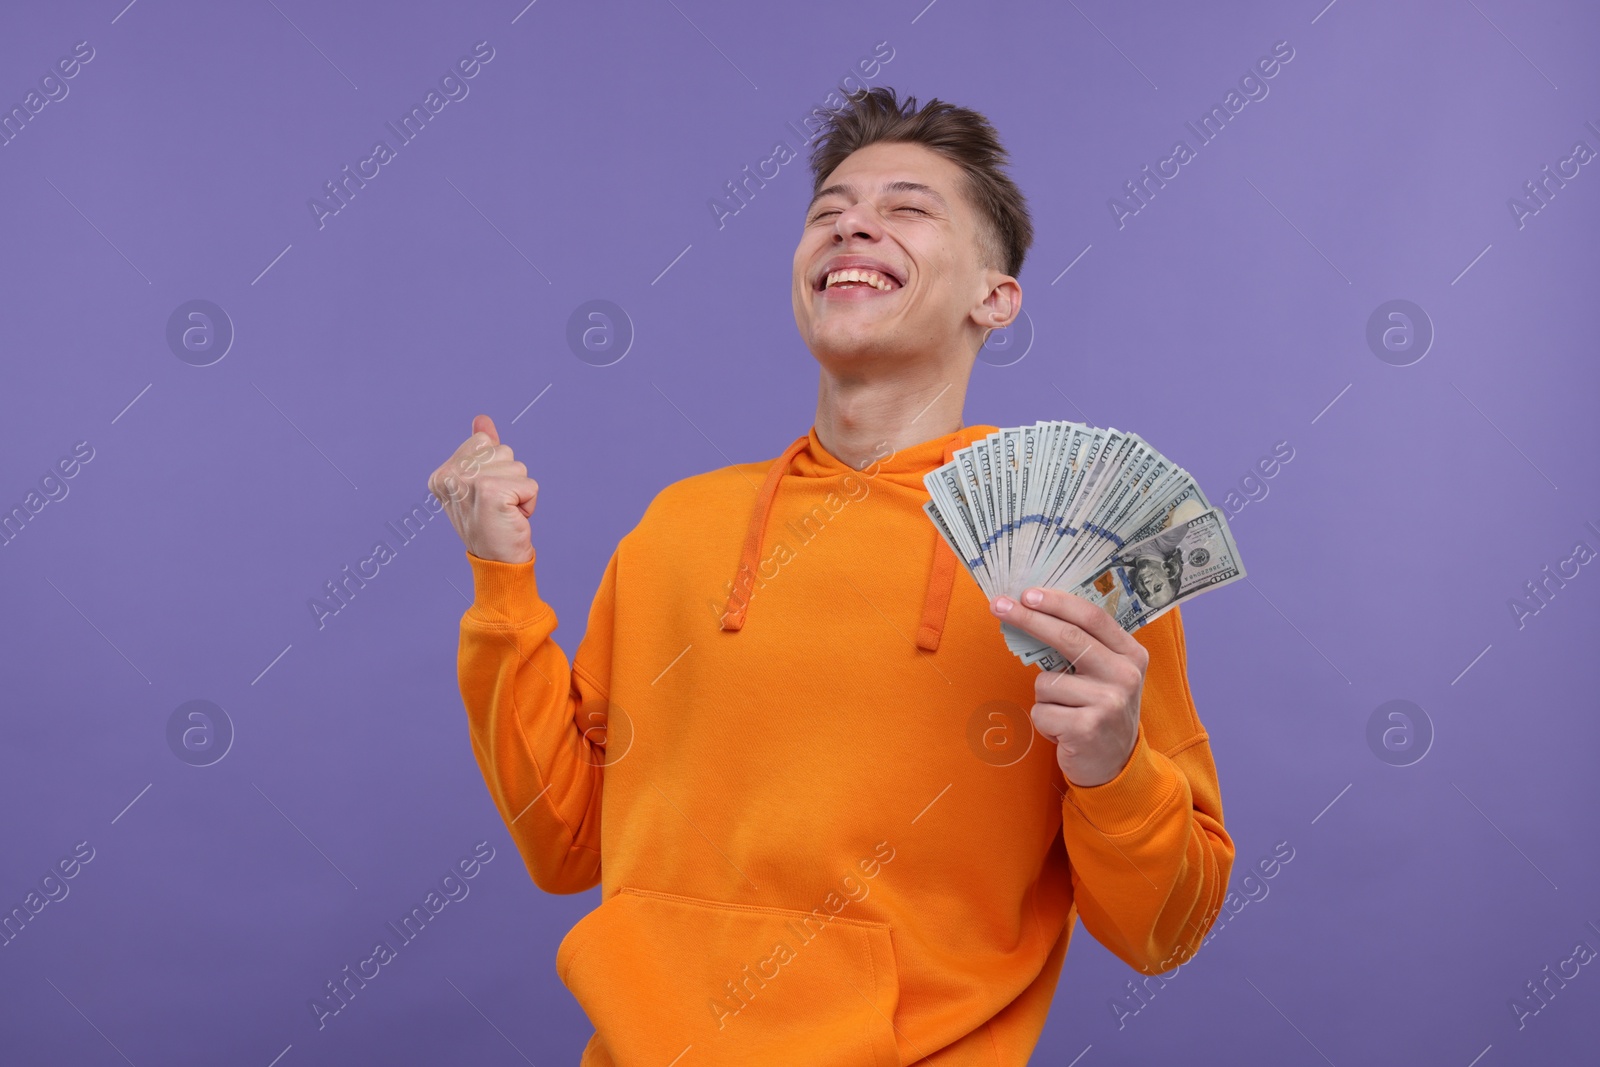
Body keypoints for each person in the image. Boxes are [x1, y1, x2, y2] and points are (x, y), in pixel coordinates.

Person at [428, 86, 1234, 1067]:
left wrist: (1113, 767)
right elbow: (562, 840)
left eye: (908, 207)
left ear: (995, 295)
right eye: (829, 210)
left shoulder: (1083, 554)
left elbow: (1164, 929)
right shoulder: (678, 528)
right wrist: (501, 584)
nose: (853, 221)